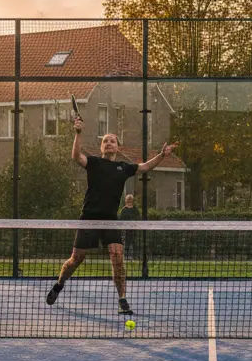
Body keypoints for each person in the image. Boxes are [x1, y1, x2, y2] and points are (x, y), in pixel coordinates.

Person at [46, 121, 177, 315]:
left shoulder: (123, 167)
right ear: (101, 147)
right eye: (105, 141)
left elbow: (145, 167)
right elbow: (76, 156)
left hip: (110, 220)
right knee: (76, 259)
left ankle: (122, 299)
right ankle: (59, 284)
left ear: (117, 147)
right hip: (89, 218)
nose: (108, 143)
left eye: (112, 141)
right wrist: (78, 132)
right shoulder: (94, 163)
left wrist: (162, 155)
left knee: (117, 257)